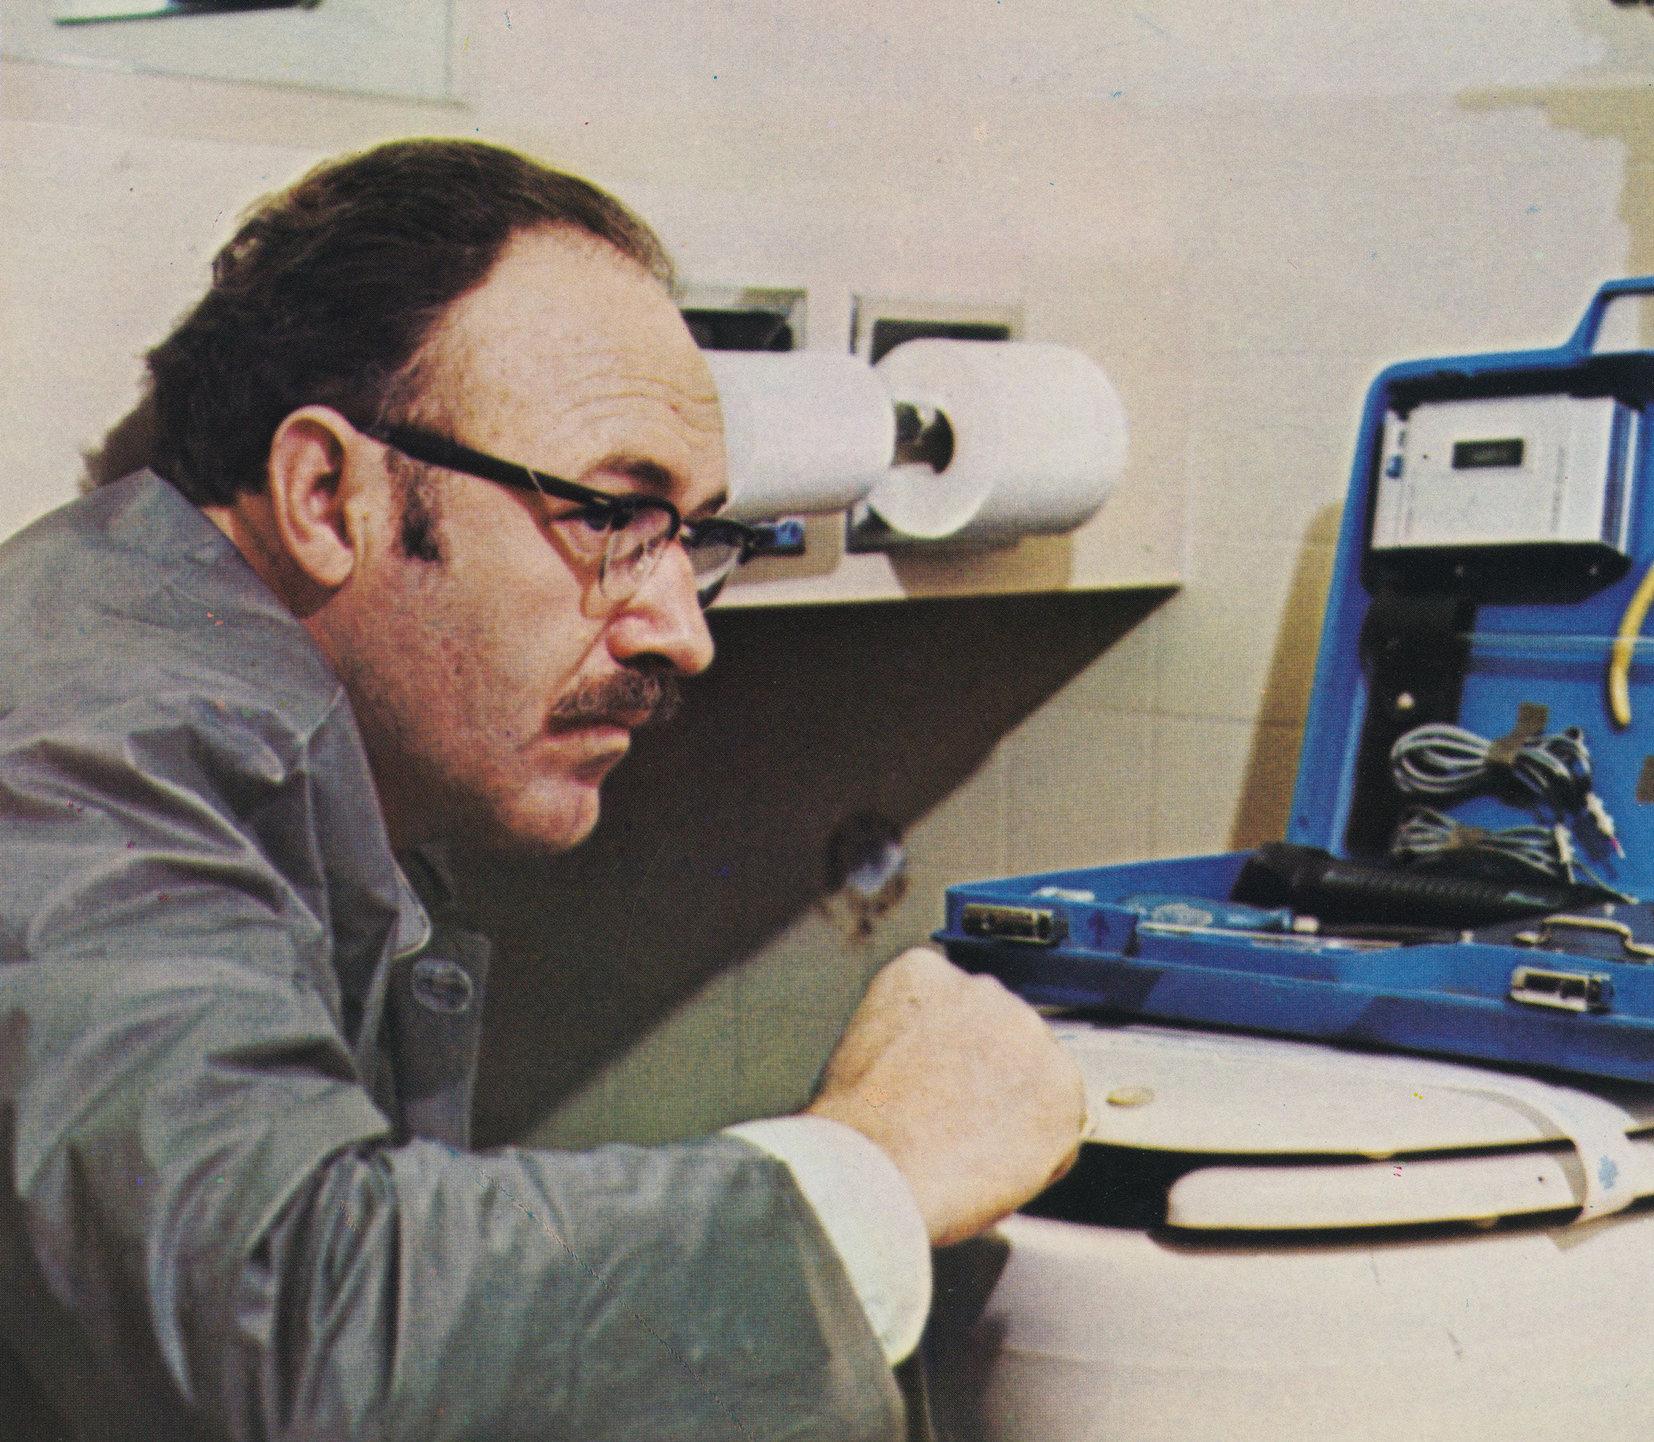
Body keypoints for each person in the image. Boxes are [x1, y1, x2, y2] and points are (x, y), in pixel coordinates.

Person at [0, 139, 1086, 1440]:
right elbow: (290, 1324)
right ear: (326, 493)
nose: (683, 632)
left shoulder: (228, 706)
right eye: (610, 513)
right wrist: (877, 1169)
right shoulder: (72, 760)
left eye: (700, 539)